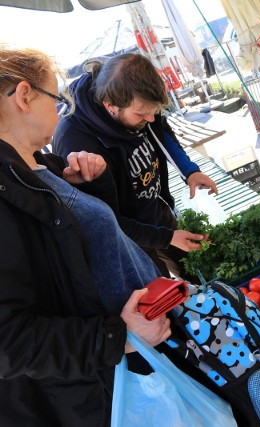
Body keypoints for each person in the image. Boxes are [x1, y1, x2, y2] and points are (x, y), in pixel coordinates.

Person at [0, 45, 173, 426]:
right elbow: (8, 340)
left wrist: (92, 188)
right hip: (97, 393)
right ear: (25, 96)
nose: (60, 109)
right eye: (55, 97)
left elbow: (83, 252)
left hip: (138, 356)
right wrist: (118, 337)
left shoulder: (40, 167)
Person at [53, 53, 219, 282]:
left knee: (199, 273)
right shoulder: (76, 141)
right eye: (141, 114)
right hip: (127, 239)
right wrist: (165, 238)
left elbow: (160, 132)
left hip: (157, 211)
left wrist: (189, 170)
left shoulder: (141, 102)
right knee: (164, 292)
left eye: (154, 111)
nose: (150, 118)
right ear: (110, 105)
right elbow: (104, 220)